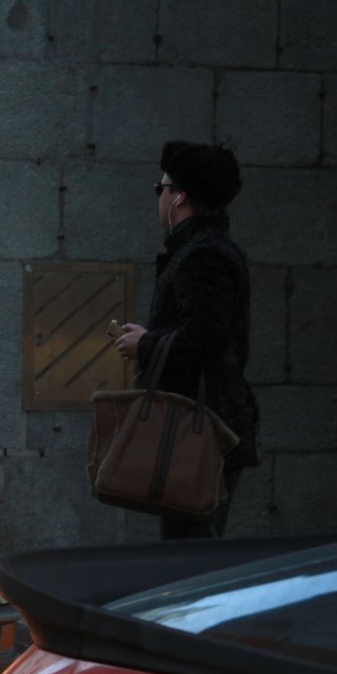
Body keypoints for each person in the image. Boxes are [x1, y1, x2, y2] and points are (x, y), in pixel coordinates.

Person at [113, 140, 258, 540]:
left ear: (179, 197)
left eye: (160, 188)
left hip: (200, 427)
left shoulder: (203, 255)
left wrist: (145, 345)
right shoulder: (201, 248)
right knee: (189, 544)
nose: (158, 197)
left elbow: (206, 334)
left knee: (191, 550)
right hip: (199, 423)